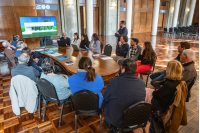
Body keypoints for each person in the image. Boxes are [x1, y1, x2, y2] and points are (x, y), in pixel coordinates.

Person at [104, 59, 146, 127]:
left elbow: (106, 98)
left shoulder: (114, 82)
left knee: (105, 102)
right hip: (134, 119)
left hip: (117, 121)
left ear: (123, 70)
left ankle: (108, 122)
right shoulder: (141, 83)